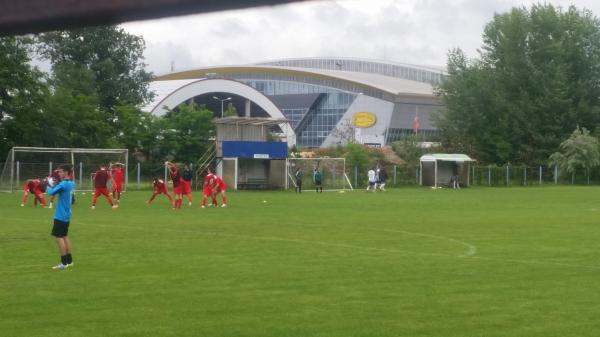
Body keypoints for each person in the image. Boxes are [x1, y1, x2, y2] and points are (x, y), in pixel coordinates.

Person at [46, 164, 75, 270]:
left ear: (66, 172)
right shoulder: (71, 183)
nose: (59, 173)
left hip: (60, 215)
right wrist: (54, 184)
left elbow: (51, 192)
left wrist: (48, 184)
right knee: (64, 236)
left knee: (59, 238)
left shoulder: (63, 184)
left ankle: (63, 263)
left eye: (61, 171)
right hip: (67, 214)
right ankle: (69, 261)